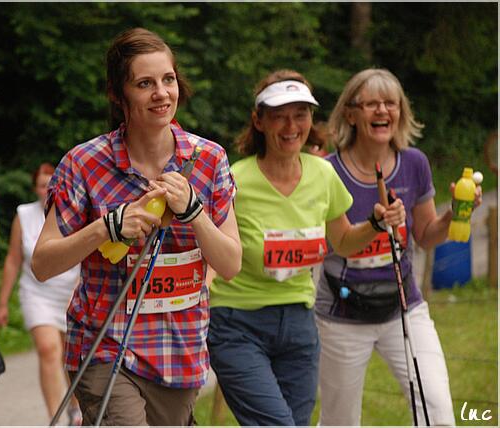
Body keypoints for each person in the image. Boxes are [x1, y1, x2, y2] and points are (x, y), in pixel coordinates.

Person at [31, 27, 242, 426]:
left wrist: (193, 211)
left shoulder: (208, 159)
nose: (162, 93)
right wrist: (106, 228)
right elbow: (42, 264)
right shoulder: (84, 163)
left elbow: (230, 264)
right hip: (104, 347)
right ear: (117, 93)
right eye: (145, 83)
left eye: (168, 80)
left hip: (177, 352)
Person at [207, 69, 406, 426]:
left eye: (300, 114)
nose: (290, 125)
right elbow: (211, 255)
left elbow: (343, 242)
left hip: (299, 324)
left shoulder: (322, 174)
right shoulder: (234, 179)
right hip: (238, 324)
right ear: (259, 121)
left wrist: (376, 223)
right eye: (279, 115)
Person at [315, 68, 482, 426]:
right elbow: (339, 244)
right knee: (339, 421)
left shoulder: (414, 163)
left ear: (401, 112)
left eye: (390, 103)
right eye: (371, 103)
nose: (382, 111)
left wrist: (455, 212)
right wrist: (375, 224)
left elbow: (425, 235)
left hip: (403, 307)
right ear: (350, 114)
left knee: (437, 410)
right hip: (341, 315)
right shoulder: (328, 171)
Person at [0, 162, 82, 425]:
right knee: (48, 349)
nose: (46, 190)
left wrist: (81, 290)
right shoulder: (24, 215)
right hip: (37, 293)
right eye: (42, 185)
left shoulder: (76, 212)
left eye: (50, 184)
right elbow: (12, 260)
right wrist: (2, 303)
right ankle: (53, 416)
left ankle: (75, 408)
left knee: (73, 357)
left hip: (72, 292)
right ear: (35, 188)